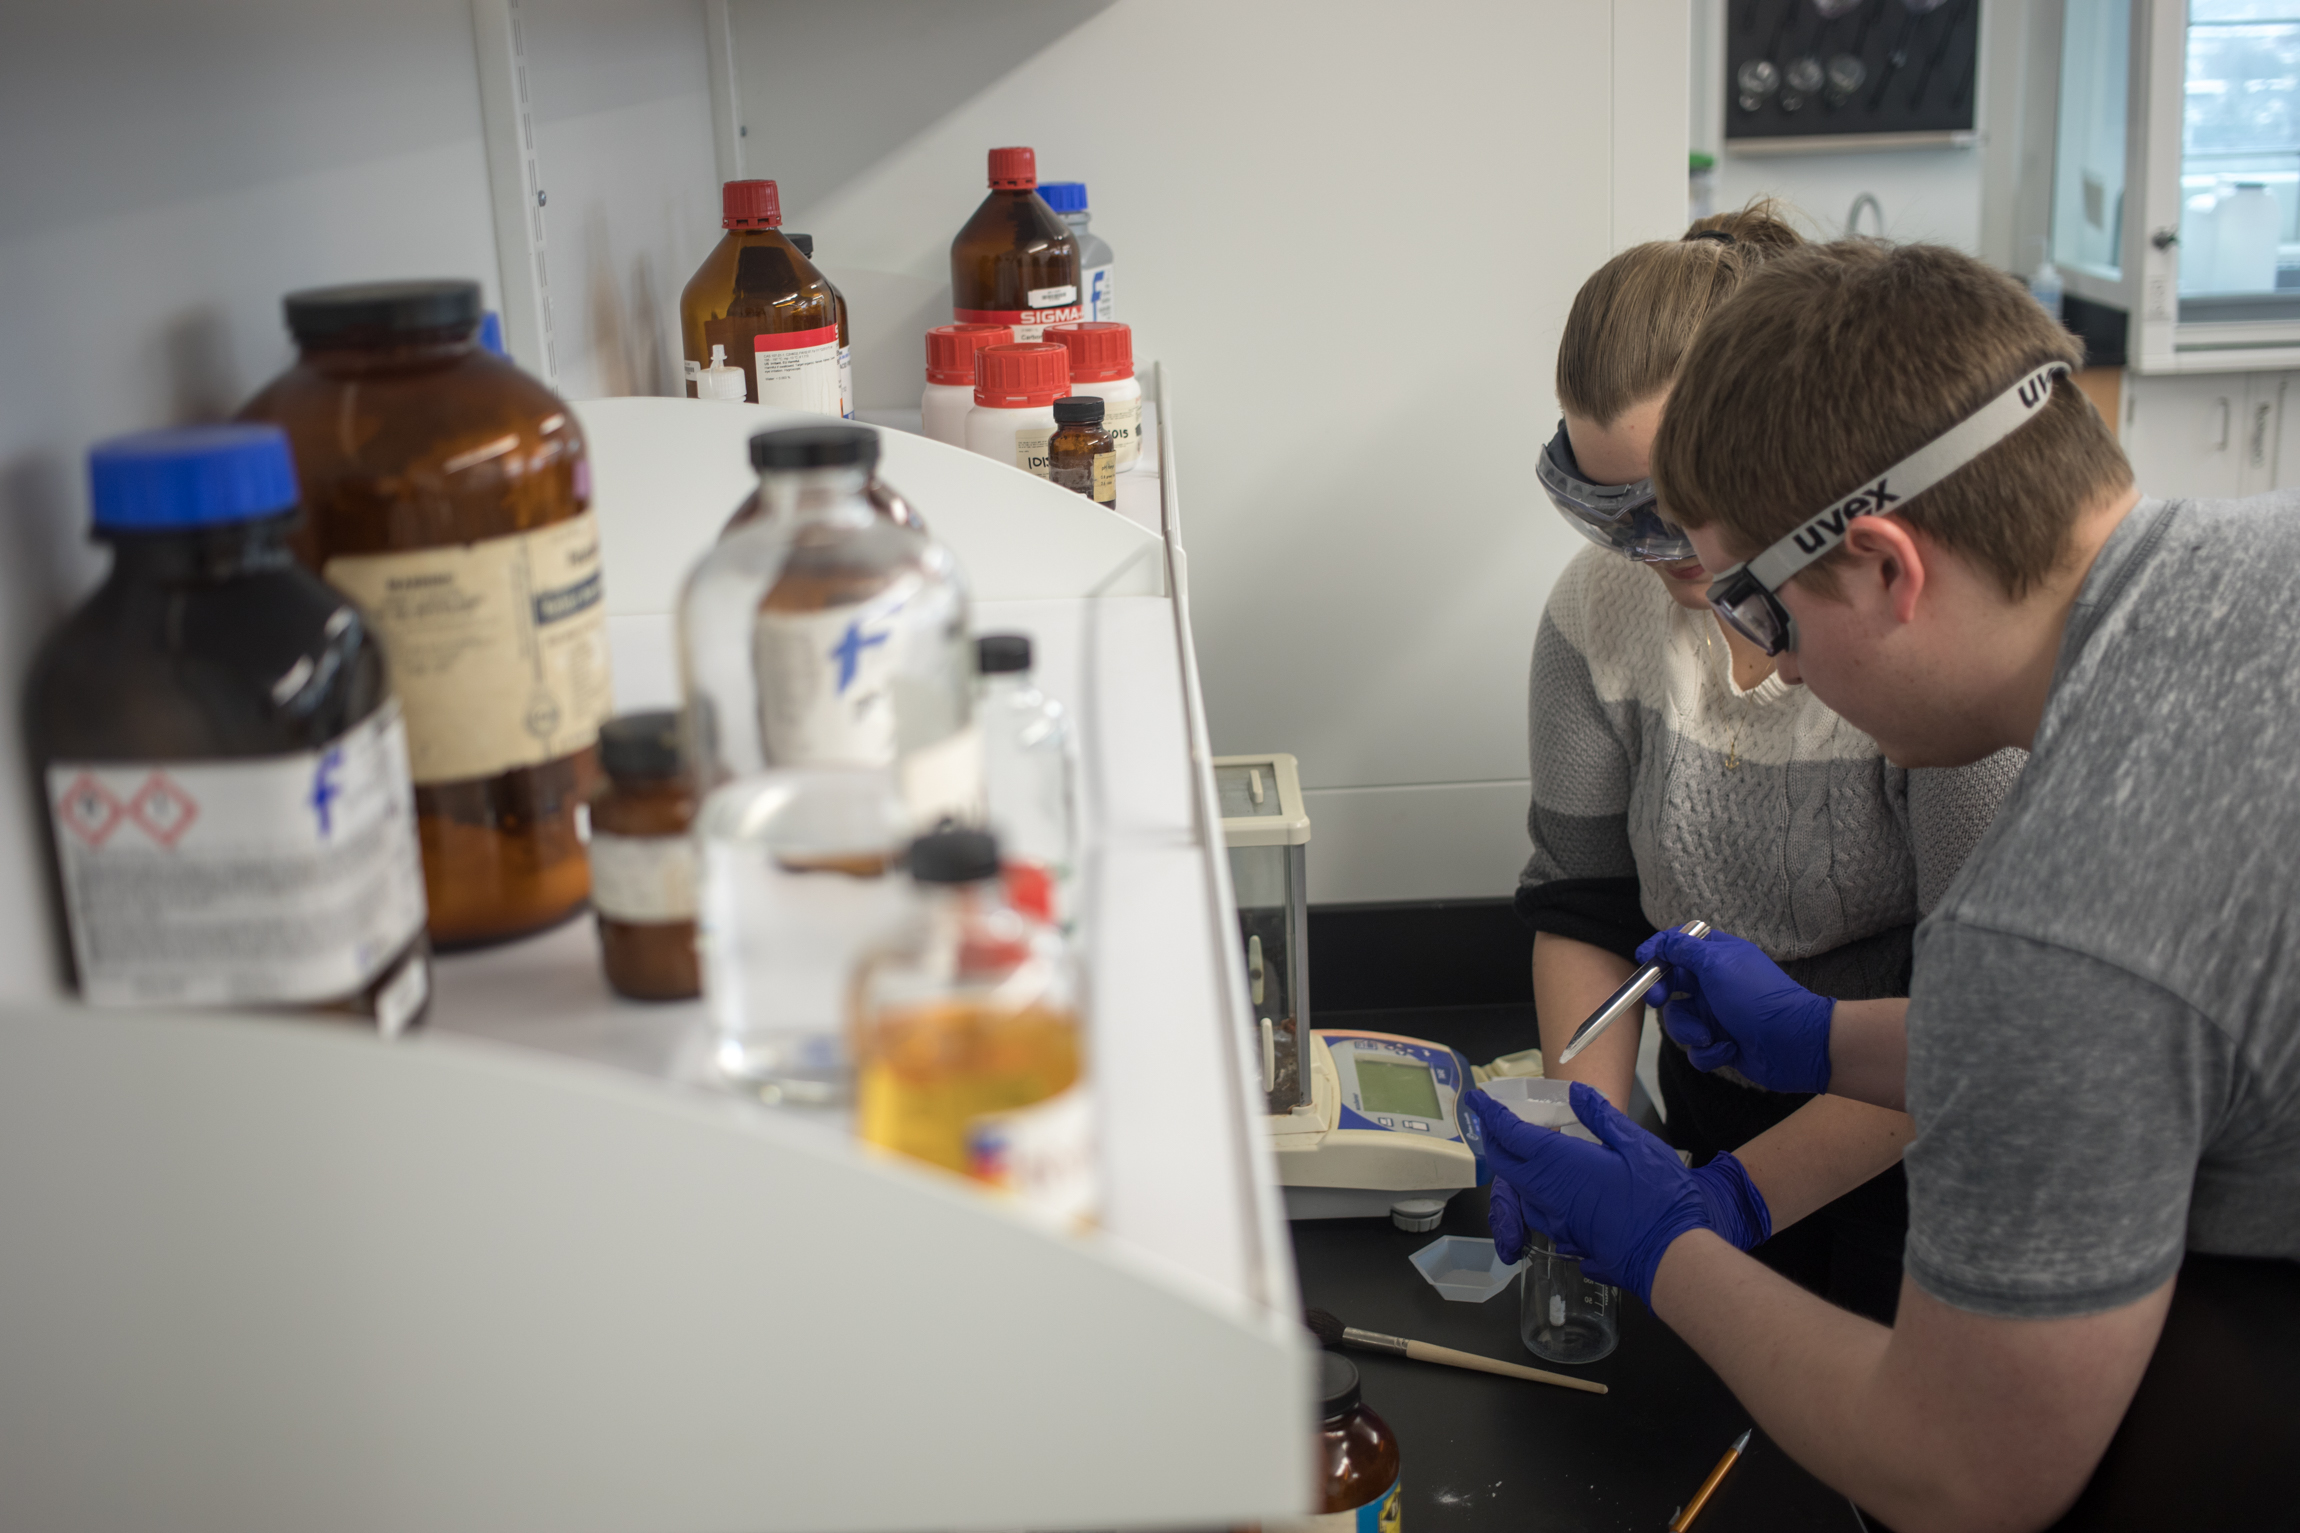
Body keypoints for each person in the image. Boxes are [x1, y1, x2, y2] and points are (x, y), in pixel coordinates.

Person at [1472, 239, 2300, 1531]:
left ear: (1885, 564)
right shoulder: (2263, 560)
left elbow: (1961, 1472)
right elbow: (2153, 1040)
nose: (1777, 669)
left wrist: (1663, 1243)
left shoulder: (2059, 908)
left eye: (1767, 611)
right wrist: (1832, 1038)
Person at [1521, 206, 2022, 1323]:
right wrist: (1598, 1145)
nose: (1655, 559)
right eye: (1609, 518)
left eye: (1669, 513)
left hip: (1922, 1144)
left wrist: (1729, 1207)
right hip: (1714, 1113)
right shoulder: (1598, 615)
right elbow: (1585, 902)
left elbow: (1987, 1024)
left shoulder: (1904, 657)